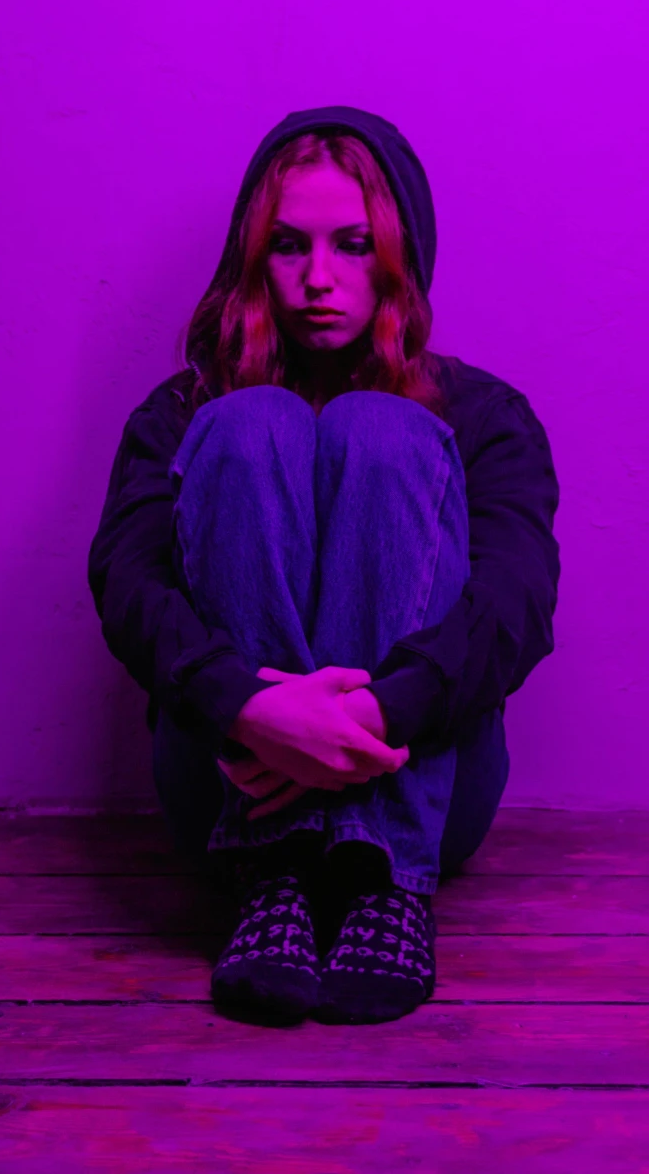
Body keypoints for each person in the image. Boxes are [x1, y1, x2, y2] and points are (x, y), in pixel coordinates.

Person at [88, 107, 560, 1026]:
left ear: (399, 255)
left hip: (418, 784)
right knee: (251, 422)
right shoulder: (183, 412)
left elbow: (517, 601)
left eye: (352, 245)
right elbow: (127, 581)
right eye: (287, 246)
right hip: (233, 794)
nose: (318, 279)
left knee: (380, 431)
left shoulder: (486, 416)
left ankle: (381, 881)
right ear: (250, 260)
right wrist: (252, 709)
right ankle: (273, 877)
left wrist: (374, 716)